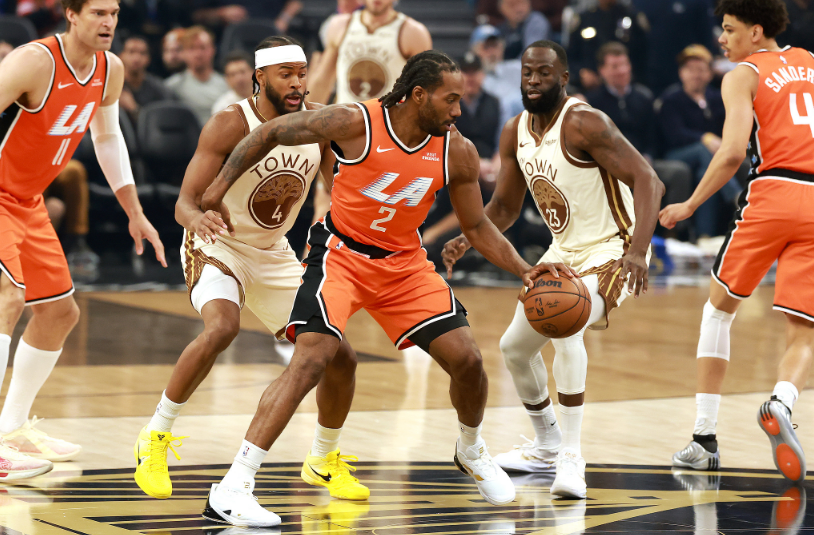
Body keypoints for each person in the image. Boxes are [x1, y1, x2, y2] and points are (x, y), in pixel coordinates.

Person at [197, 50, 569, 527]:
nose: (459, 110)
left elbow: (477, 225)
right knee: (311, 359)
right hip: (341, 255)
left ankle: (471, 449)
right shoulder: (355, 122)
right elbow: (268, 133)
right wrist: (217, 187)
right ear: (419, 95)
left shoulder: (457, 151)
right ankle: (233, 486)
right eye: (450, 100)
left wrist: (523, 268)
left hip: (404, 265)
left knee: (468, 361)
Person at [134, 36, 367, 504]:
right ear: (260, 77)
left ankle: (323, 458)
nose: (297, 83)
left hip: (273, 252)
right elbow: (184, 203)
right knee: (223, 327)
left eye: (302, 73)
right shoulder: (230, 123)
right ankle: (155, 436)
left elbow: (342, 189)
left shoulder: (319, 123)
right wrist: (198, 219)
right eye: (286, 74)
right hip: (218, 243)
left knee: (340, 356)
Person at [443, 40, 664, 499]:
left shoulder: (585, 122)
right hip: (562, 252)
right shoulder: (514, 131)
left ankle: (572, 456)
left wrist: (639, 251)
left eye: (544, 73)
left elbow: (649, 179)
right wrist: (468, 236)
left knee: (566, 326)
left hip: (612, 249)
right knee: (514, 349)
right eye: (527, 72)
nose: (533, 80)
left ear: (563, 78)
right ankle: (547, 445)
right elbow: (505, 207)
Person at [0, 0, 166, 480]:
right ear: (71, 14)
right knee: (8, 297)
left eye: (113, 12)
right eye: (97, 12)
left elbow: (107, 138)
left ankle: (11, 428)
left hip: (28, 200)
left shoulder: (110, 69)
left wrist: (134, 211)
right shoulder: (34, 62)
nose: (108, 22)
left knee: (59, 313)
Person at [661, 0, 812, 483]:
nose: (722, 39)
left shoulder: (743, 74)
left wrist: (689, 204)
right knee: (804, 330)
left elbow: (730, 154)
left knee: (718, 311)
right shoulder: (811, 62)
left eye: (729, 29)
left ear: (756, 31)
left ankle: (704, 439)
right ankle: (781, 402)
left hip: (773, 193)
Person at [585, 42, 692, 237]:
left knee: (679, 172)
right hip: (611, 166)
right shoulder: (593, 102)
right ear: (602, 71)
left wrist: (648, 155)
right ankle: (628, 238)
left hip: (643, 161)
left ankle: (673, 236)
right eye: (615, 66)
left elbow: (652, 137)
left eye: (624, 64)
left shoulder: (644, 97)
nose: (622, 71)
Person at [658, 44, 743, 239]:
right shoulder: (671, 99)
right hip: (678, 154)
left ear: (710, 73)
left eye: (701, 69)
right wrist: (704, 138)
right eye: (690, 69)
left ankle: (705, 236)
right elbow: (674, 135)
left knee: (706, 174)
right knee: (703, 150)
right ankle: (736, 196)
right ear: (681, 73)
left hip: (710, 157)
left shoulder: (718, 98)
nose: (695, 75)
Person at [306, 0, 432, 104]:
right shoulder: (340, 25)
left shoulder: (413, 33)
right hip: (345, 119)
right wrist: (307, 117)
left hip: (388, 121)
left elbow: (425, 90)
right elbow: (322, 81)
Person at [566, 0, 648, 92]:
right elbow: (570, 55)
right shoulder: (585, 19)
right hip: (591, 88)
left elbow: (643, 56)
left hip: (625, 89)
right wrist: (581, 73)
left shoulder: (631, 17)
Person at [165, 26, 228, 126]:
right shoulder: (172, 86)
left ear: (213, 50)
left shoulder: (227, 84)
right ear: (183, 53)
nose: (198, 54)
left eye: (202, 48)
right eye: (192, 48)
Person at [120, 35, 177, 126]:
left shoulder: (158, 88)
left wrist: (134, 109)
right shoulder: (112, 85)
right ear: (121, 56)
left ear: (148, 59)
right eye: (131, 52)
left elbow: (166, 121)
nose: (136, 58)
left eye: (142, 53)